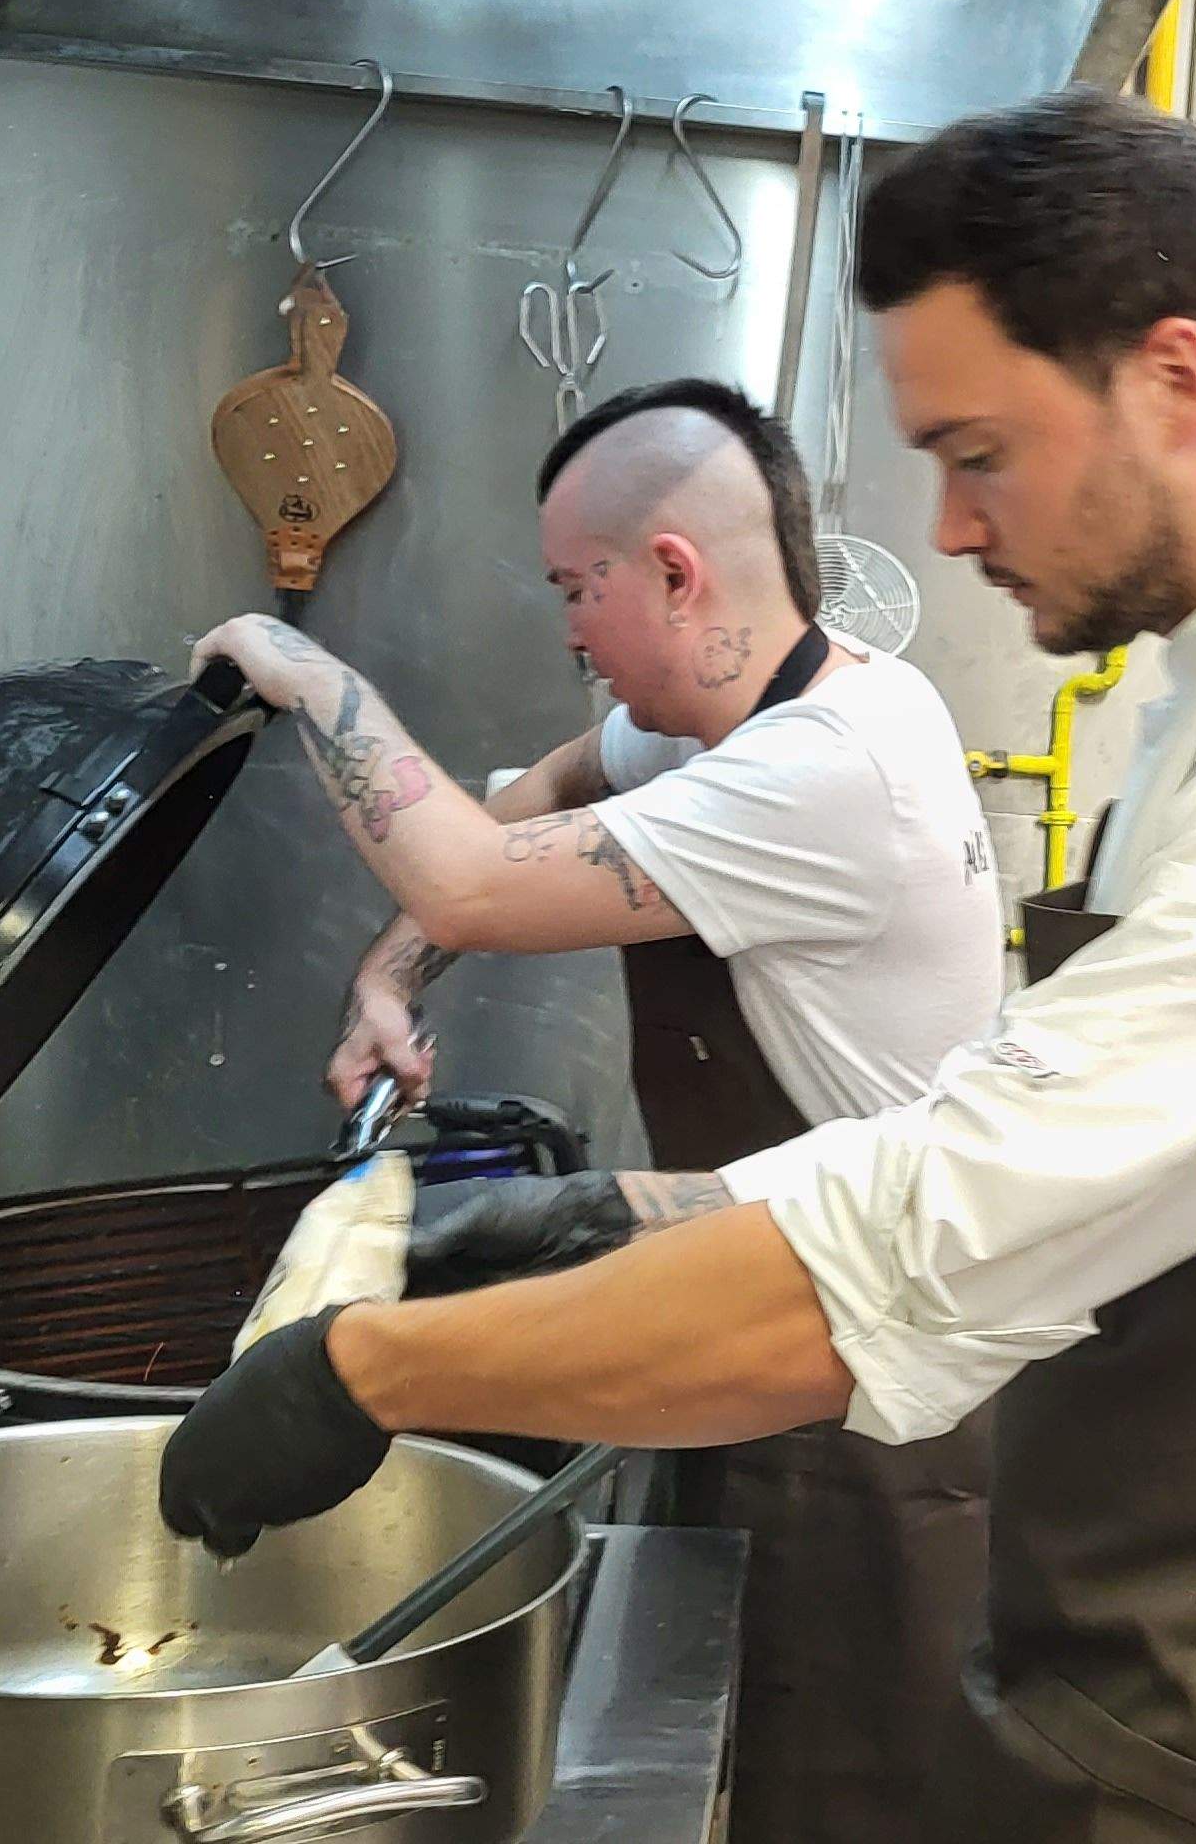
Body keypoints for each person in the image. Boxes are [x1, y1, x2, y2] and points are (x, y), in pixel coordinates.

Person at [164, 89, 1196, 1843]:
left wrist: (370, 1374)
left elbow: (918, 1243)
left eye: (980, 453)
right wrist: (624, 1220)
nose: (944, 530)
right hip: (1146, 1657)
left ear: (1174, 379)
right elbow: (1027, 1121)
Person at [187, 377, 1002, 1844]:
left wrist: (308, 676)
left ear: (675, 573)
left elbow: (472, 878)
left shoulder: (829, 769)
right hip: (748, 1307)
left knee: (830, 1796)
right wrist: (391, 978)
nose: (568, 626)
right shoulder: (734, 723)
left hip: (863, 1400)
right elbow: (539, 797)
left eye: (580, 586)